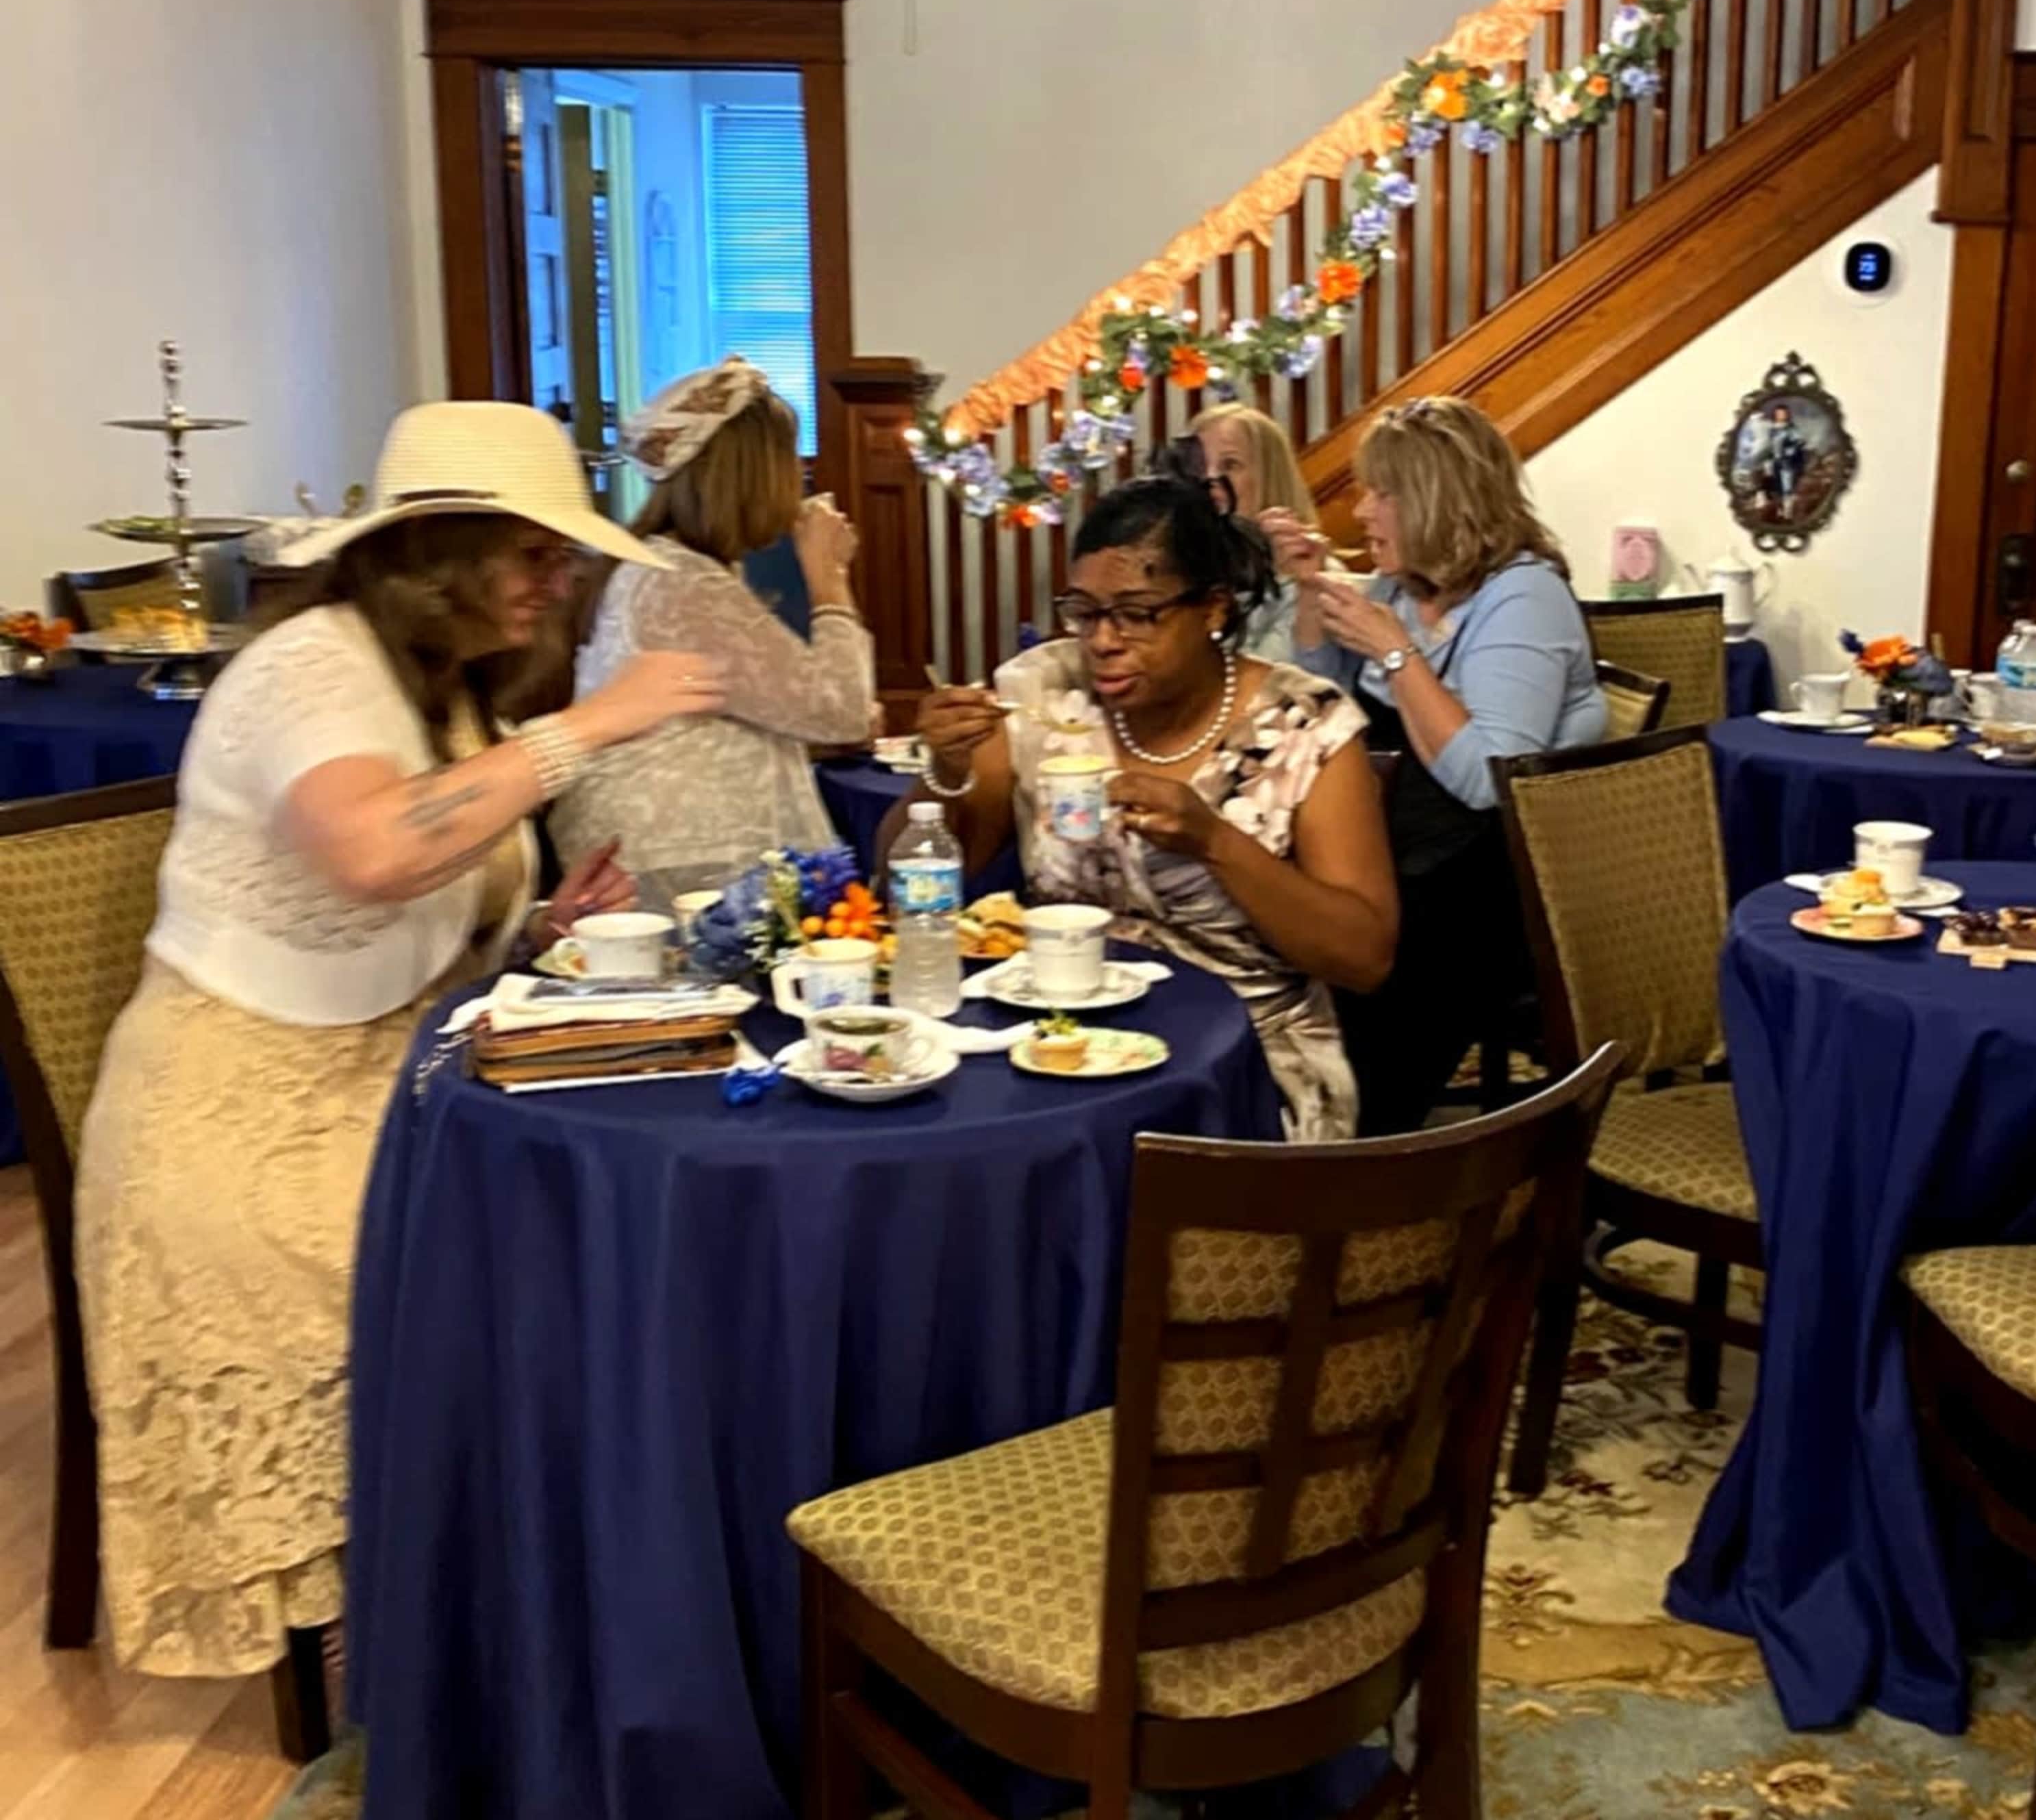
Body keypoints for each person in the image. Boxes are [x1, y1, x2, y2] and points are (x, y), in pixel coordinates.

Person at [76, 403, 725, 1681]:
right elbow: (376, 850)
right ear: (441, 557)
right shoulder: (308, 669)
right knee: (518, 1282)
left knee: (583, 1246)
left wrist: (538, 924)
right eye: (535, 554)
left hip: (386, 1081)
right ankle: (479, 1626)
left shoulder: (444, 696)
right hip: (229, 1122)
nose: (561, 580)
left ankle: (542, 1608)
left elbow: (421, 902)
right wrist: (585, 730)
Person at [906, 469, 1395, 1139]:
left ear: (1213, 609)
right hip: (1058, 1049)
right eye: (1083, 611)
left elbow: (1365, 956)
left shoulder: (1305, 723)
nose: (1103, 639)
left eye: (1136, 614)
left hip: (1245, 1070)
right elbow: (914, 889)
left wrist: (1217, 842)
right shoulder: (1043, 693)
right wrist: (944, 771)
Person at [1261, 394, 1607, 1134]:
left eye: (1381, 492)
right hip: (1411, 856)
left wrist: (1395, 650)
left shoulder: (1525, 597)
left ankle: (1363, 1170)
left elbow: (1489, 780)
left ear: (1437, 500)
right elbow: (1327, 702)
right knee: (1275, 928)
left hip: (1500, 888)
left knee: (1362, 971)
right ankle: (1282, 1141)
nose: (1361, 511)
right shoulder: (1402, 586)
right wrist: (1313, 593)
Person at [552, 356, 875, 907]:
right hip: (679, 866)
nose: (798, 478)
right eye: (788, 461)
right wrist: (828, 576)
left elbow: (819, 710)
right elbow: (841, 711)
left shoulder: (674, 570)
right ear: (751, 473)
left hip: (669, 855)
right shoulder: (680, 583)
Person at [1192, 401, 1317, 657]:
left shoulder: (1310, 572)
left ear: (1268, 476)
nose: (1209, 479)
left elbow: (1279, 676)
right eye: (1199, 466)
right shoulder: (1182, 569)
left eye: (1230, 465)